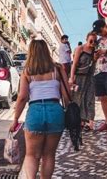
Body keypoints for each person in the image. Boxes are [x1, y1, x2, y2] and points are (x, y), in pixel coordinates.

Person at [10, 40, 71, 178]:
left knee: (32, 155)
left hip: (35, 112)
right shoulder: (58, 69)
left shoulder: (27, 71)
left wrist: (15, 119)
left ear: (31, 52)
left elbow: (22, 97)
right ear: (47, 51)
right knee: (49, 155)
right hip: (55, 111)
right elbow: (67, 95)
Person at [69, 32, 97, 131]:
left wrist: (95, 58)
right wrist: (71, 78)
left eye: (95, 41)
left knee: (89, 98)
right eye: (91, 41)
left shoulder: (95, 50)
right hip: (79, 77)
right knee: (78, 99)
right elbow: (74, 64)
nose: (93, 43)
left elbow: (93, 67)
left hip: (90, 77)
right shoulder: (80, 49)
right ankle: (80, 121)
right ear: (86, 39)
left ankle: (90, 123)